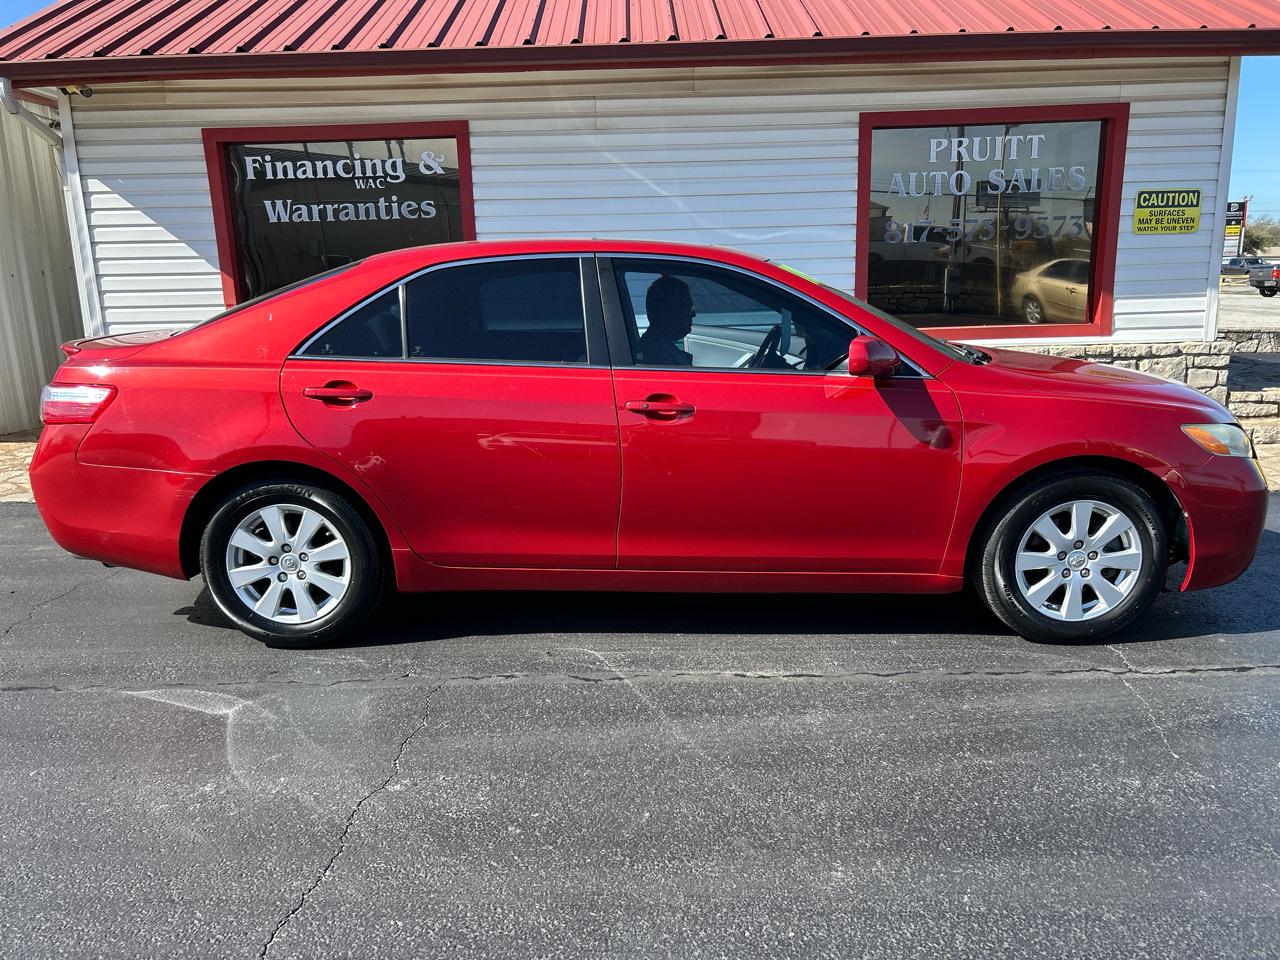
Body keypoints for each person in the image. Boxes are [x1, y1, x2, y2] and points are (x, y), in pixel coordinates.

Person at [636, 275, 695, 366]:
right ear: (667, 313)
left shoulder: (660, 349)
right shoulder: (658, 357)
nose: (693, 314)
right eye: (687, 308)